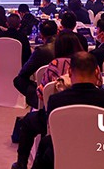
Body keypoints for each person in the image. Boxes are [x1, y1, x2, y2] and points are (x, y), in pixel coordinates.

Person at [30, 52, 104, 169]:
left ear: (69, 72)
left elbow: (54, 132)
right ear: (97, 71)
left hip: (67, 158)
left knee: (46, 143)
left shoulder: (56, 100)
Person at [14, 33, 84, 169]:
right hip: (86, 118)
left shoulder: (54, 64)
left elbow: (42, 94)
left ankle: (21, 164)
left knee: (27, 122)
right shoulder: (87, 64)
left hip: (55, 118)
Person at [14, 20, 58, 109]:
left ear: (41, 35)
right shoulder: (67, 45)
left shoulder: (41, 51)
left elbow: (24, 73)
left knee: (18, 80)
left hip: (46, 86)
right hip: (66, 85)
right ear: (57, 32)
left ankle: (40, 102)